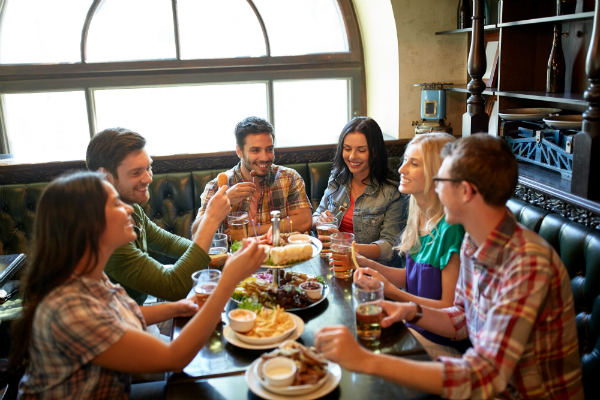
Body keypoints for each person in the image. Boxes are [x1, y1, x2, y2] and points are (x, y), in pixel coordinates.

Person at [315, 135, 583, 399]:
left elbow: (484, 377)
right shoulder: (473, 241)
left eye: (440, 180)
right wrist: (408, 310)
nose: (436, 188)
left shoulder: (527, 263)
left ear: (465, 191)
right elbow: (462, 319)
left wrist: (365, 361)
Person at [10, 171, 265, 399]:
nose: (129, 209)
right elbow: (174, 358)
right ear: (87, 225)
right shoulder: (69, 307)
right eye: (115, 205)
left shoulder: (88, 274)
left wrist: (178, 308)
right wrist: (227, 281)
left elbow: (119, 315)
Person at [351, 132, 469, 357]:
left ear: (438, 174)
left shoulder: (451, 228)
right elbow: (413, 277)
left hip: (440, 342)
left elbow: (447, 306)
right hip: (412, 327)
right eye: (405, 160)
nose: (401, 169)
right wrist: (367, 264)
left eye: (413, 163)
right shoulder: (419, 215)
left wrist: (391, 292)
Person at [86, 128, 229, 305]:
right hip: (121, 327)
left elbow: (168, 243)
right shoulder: (104, 231)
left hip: (137, 314)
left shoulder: (133, 209)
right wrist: (211, 219)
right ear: (104, 175)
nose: (148, 178)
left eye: (149, 168)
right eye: (136, 172)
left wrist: (222, 256)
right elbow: (172, 287)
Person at [191, 116, 312, 236]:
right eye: (255, 150)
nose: (265, 158)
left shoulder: (289, 178)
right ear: (239, 151)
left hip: (280, 253)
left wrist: (249, 231)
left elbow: (305, 221)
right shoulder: (217, 186)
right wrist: (224, 201)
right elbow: (196, 234)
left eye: (269, 149)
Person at [312, 117, 404, 265]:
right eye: (347, 149)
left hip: (372, 272)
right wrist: (320, 222)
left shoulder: (392, 191)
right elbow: (316, 216)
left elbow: (389, 247)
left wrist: (347, 246)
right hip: (332, 264)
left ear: (374, 152)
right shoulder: (337, 178)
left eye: (361, 150)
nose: (352, 156)